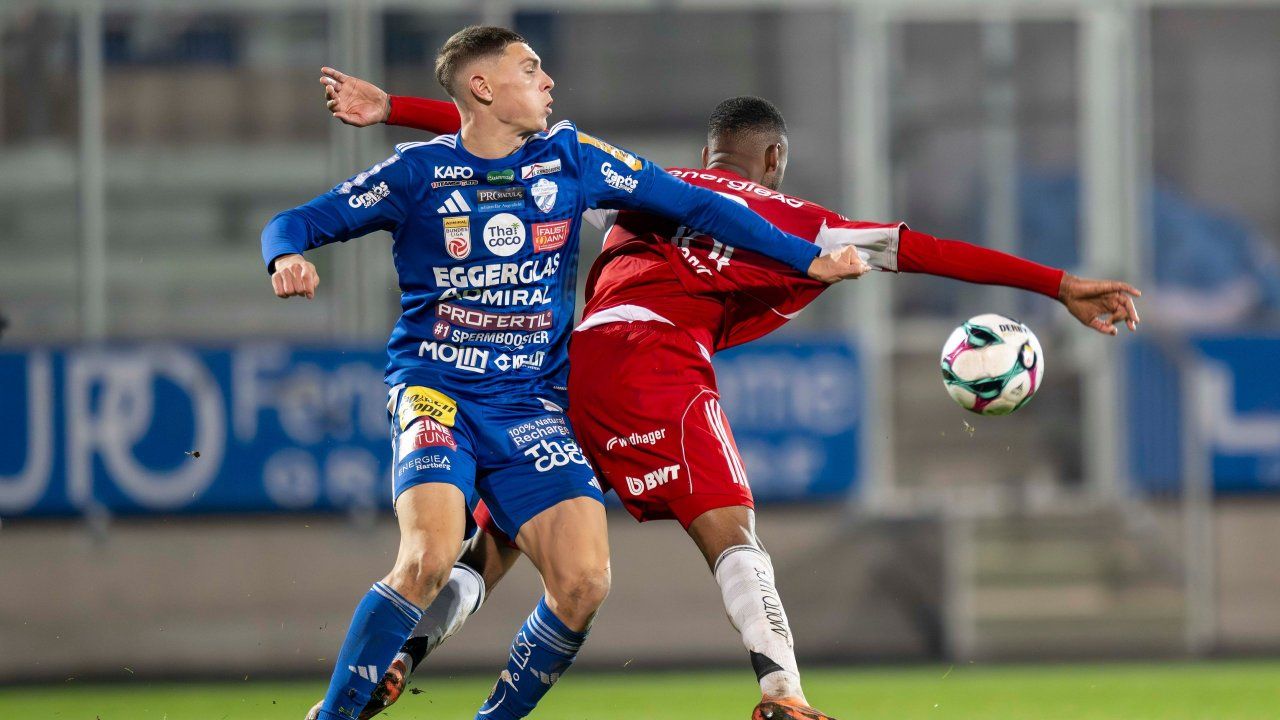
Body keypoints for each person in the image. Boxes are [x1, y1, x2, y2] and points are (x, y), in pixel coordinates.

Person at [317, 72, 1140, 720]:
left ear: (713, 150)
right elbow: (929, 250)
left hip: (563, 368)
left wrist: (393, 107)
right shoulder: (803, 222)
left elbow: (506, 142)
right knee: (730, 531)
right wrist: (1059, 283)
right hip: (653, 361)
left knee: (494, 546)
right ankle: (782, 690)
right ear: (773, 158)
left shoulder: (642, 181)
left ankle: (401, 658)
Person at [266, 26, 865, 720]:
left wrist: (805, 258)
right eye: (531, 68)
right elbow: (295, 221)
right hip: (439, 392)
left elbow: (695, 203)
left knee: (583, 582)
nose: (549, 81)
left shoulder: (573, 160)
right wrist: (287, 258)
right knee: (429, 557)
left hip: (531, 406)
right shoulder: (416, 174)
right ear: (484, 88)